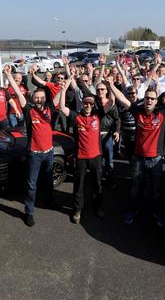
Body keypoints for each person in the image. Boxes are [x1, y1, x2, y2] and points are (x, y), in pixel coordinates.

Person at [108, 83, 165, 227]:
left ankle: (157, 212)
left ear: (156, 101)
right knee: (136, 187)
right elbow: (122, 100)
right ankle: (134, 210)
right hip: (138, 158)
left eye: (152, 99)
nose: (149, 101)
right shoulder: (137, 111)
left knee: (156, 190)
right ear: (143, 100)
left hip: (155, 159)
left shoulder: (163, 113)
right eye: (147, 98)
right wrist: (111, 85)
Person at [6, 67, 59, 227]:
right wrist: (8, 75)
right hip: (34, 154)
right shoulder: (29, 110)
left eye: (41, 97)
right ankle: (29, 211)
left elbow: (58, 97)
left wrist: (66, 82)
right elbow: (19, 93)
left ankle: (49, 201)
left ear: (45, 98)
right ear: (33, 99)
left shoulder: (49, 109)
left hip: (49, 152)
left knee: (48, 180)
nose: (39, 100)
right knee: (31, 184)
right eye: (36, 97)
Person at [58, 79, 104, 224]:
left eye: (90, 103)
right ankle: (78, 210)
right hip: (81, 157)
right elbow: (62, 107)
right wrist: (64, 90)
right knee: (79, 185)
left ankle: (98, 207)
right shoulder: (76, 116)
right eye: (85, 103)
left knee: (97, 184)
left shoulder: (98, 115)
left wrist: (106, 88)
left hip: (96, 157)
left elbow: (111, 104)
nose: (88, 106)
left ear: (93, 105)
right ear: (82, 104)